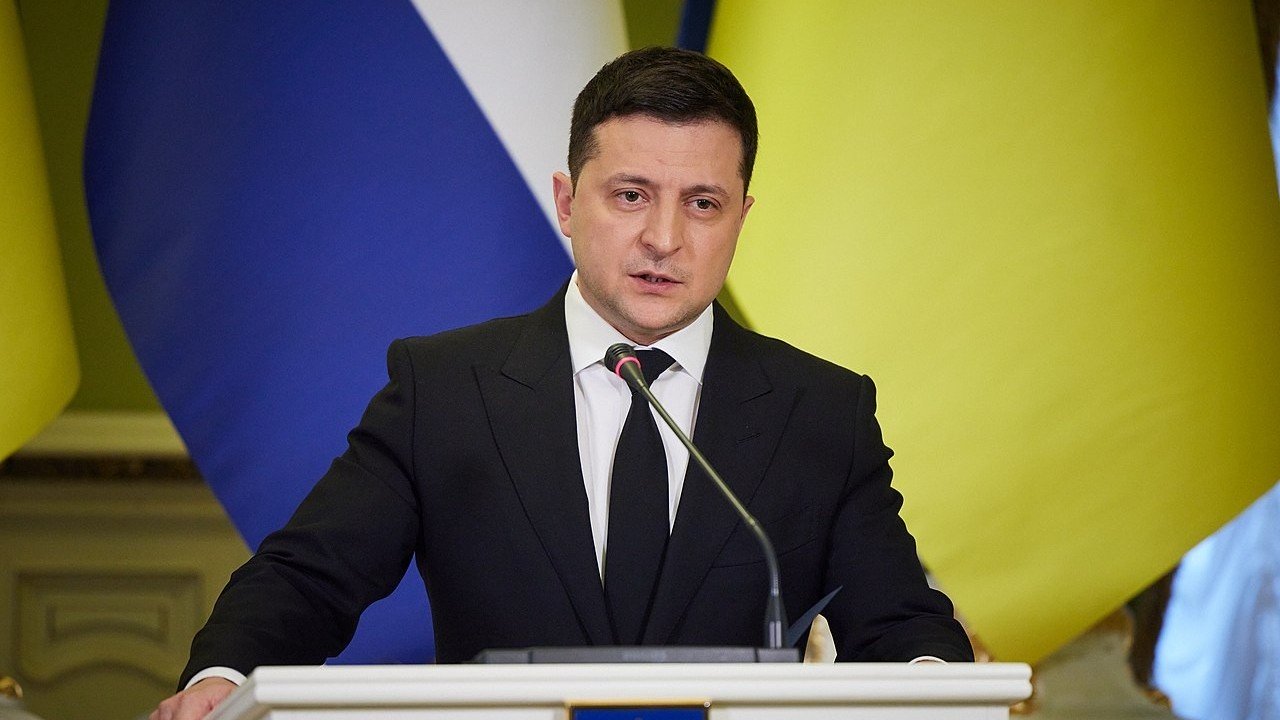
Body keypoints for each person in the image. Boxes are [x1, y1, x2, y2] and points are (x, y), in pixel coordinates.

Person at [150, 46, 973, 720]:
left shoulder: (818, 411)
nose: (664, 238)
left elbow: (899, 622)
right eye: (631, 195)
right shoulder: (446, 391)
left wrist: (938, 684)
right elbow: (309, 578)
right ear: (567, 203)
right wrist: (224, 678)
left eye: (703, 204)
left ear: (741, 220)